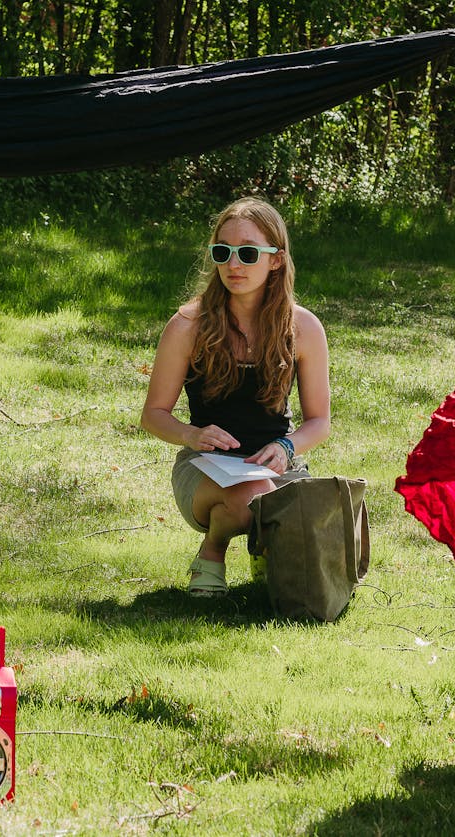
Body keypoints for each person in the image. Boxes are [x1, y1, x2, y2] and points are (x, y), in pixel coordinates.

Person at [140, 197, 331, 597]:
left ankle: (266, 545)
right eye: (222, 252)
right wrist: (191, 435)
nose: (233, 264)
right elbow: (154, 414)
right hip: (204, 468)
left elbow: (319, 422)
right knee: (251, 498)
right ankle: (214, 548)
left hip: (277, 465)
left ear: (275, 260)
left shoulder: (304, 327)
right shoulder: (188, 324)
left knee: (317, 519)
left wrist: (286, 446)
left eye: (246, 253)